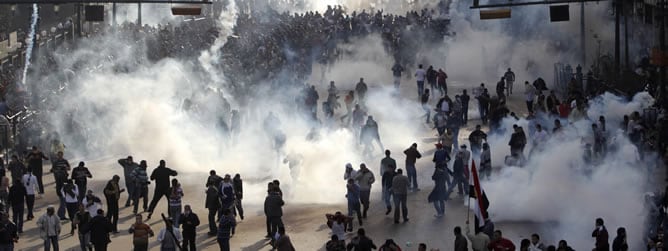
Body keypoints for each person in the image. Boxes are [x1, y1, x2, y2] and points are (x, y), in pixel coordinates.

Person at [52, 151, 71, 220]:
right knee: (63, 201)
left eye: (61, 155)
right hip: (59, 183)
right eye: (58, 155)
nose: (60, 156)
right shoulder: (55, 162)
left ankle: (60, 215)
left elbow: (69, 168)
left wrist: (65, 168)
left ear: (62, 155)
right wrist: (57, 170)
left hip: (64, 182)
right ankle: (60, 215)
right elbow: (52, 170)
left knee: (64, 201)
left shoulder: (65, 161)